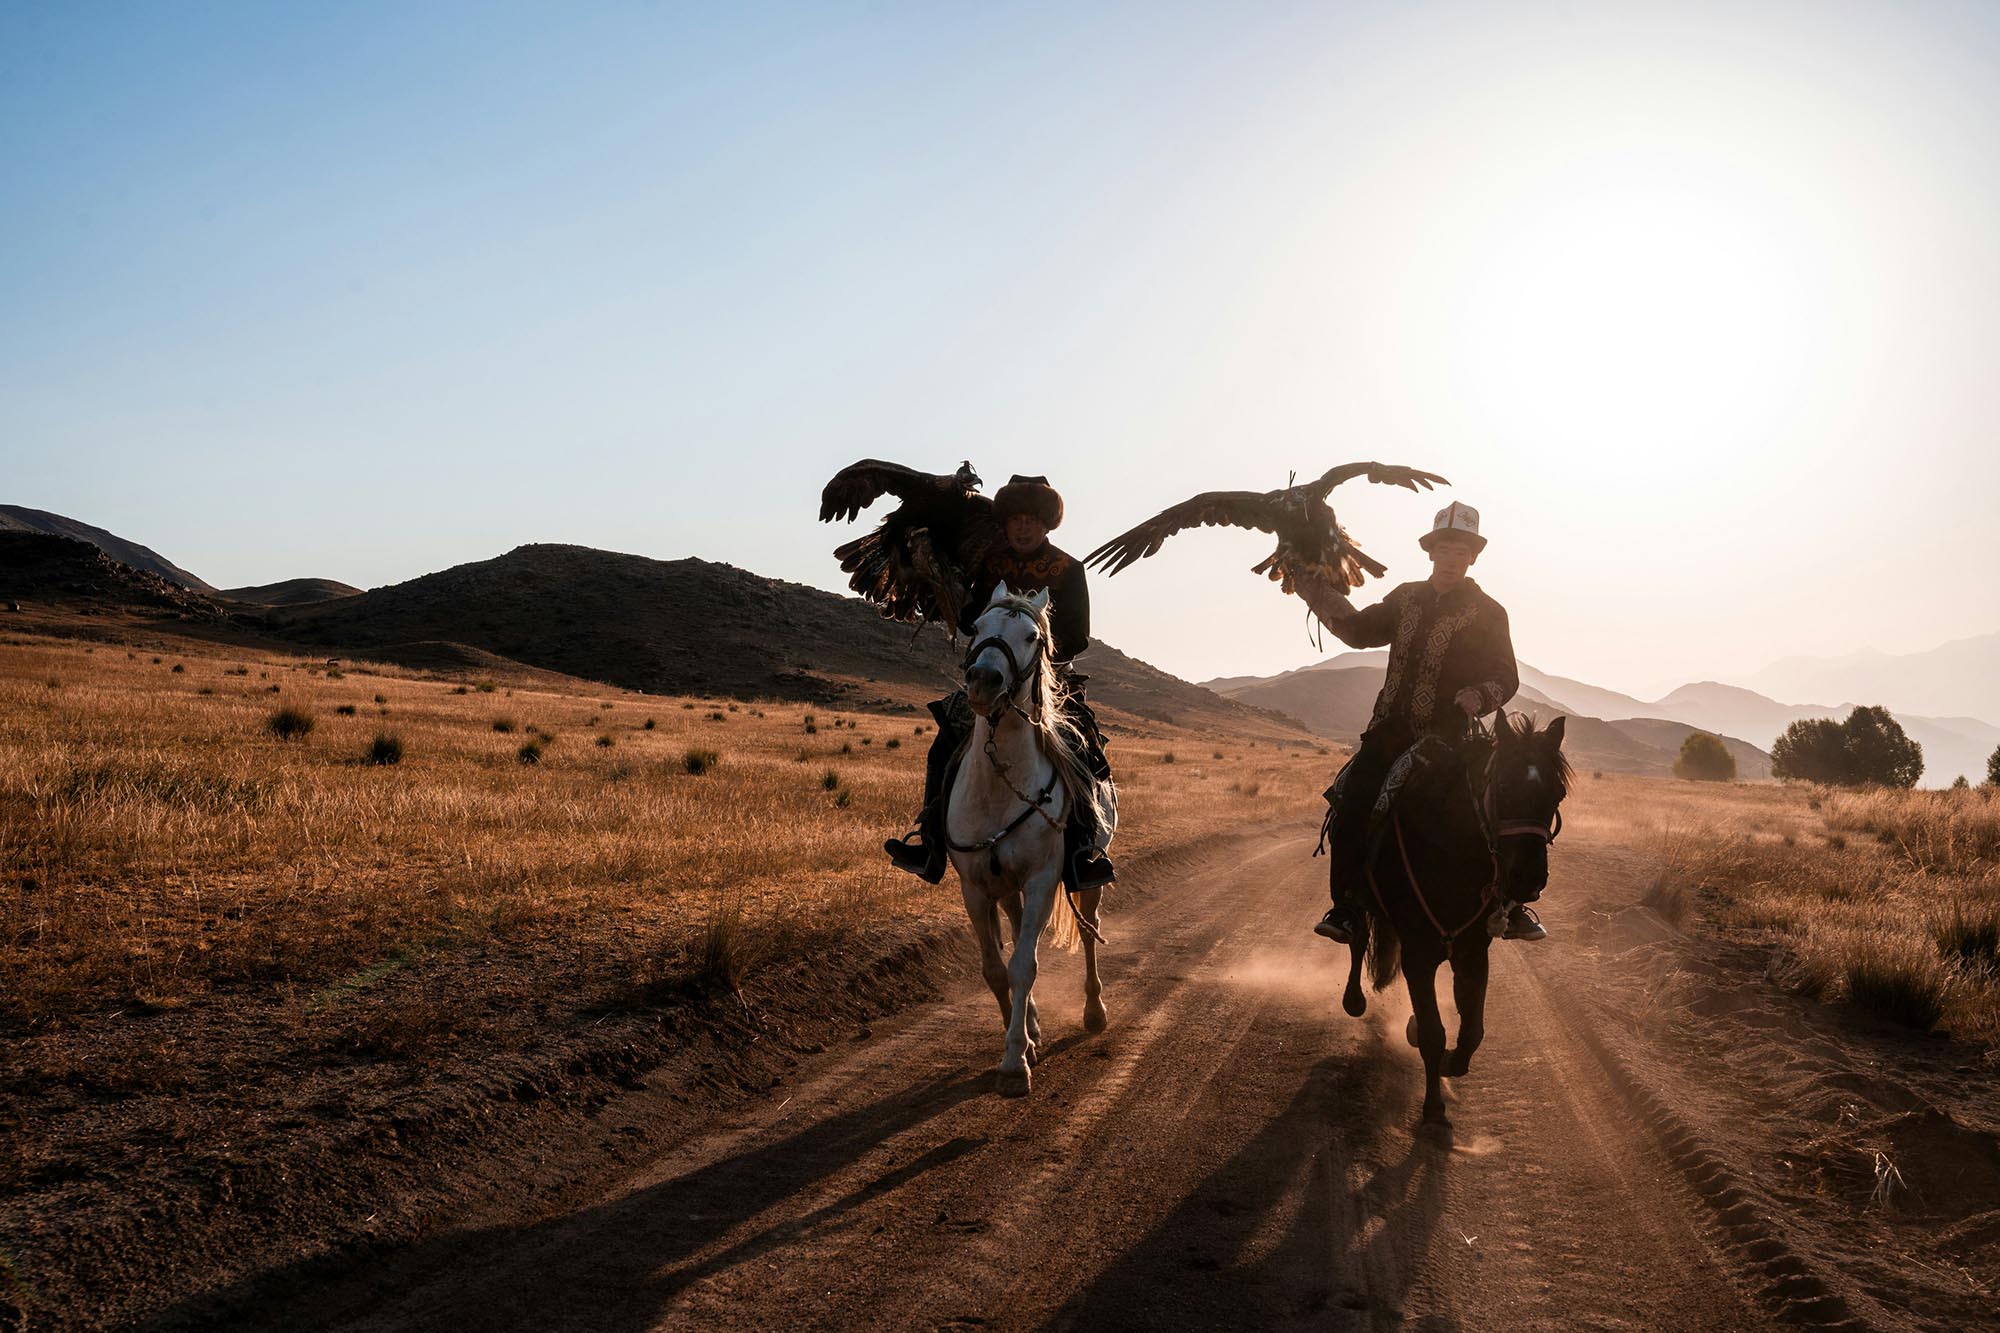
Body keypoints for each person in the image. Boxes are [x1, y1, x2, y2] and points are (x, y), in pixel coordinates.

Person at [1284, 501, 1543, 942]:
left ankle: (1509, 905)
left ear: (1474, 557)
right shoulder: (1405, 598)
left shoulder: (1489, 612)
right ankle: (1346, 906)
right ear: (1430, 552)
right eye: (1444, 549)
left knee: (1502, 805)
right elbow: (1359, 630)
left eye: (1461, 551)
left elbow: (1507, 676)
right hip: (1389, 733)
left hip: (1454, 738)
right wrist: (1313, 588)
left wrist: (1479, 695)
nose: (1451, 559)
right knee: (1351, 803)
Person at [885, 474, 1116, 889]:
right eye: (1015, 520)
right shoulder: (990, 565)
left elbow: (1078, 634)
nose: (1022, 528)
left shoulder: (1068, 569)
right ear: (1005, 524)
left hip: (1051, 682)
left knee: (1086, 749)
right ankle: (931, 841)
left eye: (1031, 520)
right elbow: (975, 616)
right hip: (991, 678)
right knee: (944, 741)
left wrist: (1035, 658)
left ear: (1047, 524)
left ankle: (1082, 852)